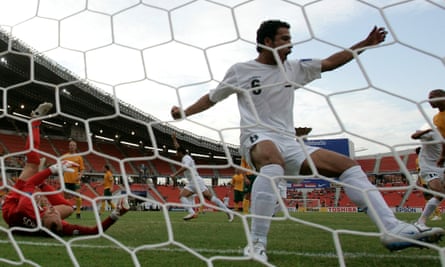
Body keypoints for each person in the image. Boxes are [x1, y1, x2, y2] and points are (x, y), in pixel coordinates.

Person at [171, 20, 444, 260]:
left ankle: (391, 229)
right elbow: (213, 97)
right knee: (272, 159)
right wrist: (184, 112)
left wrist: (365, 44)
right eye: (285, 39)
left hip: (289, 141)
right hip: (257, 137)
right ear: (267, 42)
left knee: (347, 166)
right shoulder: (241, 70)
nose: (291, 45)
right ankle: (256, 243)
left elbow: (329, 62)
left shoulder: (294, 68)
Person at [1, 102, 129, 236]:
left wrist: (52, 170)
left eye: (51, 212)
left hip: (13, 206)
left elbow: (29, 184)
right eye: (57, 214)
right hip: (30, 217)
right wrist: (116, 214)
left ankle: (35, 121)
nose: (53, 210)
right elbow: (94, 231)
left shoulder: (25, 207)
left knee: (33, 163)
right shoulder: (58, 227)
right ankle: (43, 184)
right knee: (68, 208)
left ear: (43, 220)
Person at [169, 133, 233, 222]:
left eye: (177, 152)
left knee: (209, 197)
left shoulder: (186, 159)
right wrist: (174, 139)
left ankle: (228, 212)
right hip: (193, 182)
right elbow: (178, 148)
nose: (176, 154)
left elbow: (185, 167)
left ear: (181, 153)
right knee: (183, 196)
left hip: (195, 181)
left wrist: (174, 174)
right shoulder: (185, 156)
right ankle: (192, 212)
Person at [414, 146, 442, 221]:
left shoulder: (419, 160)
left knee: (433, 197)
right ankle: (433, 214)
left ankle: (437, 214)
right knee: (428, 198)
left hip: (427, 180)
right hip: (426, 180)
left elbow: (420, 171)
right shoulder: (422, 159)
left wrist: (418, 181)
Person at [62, 140, 85, 219]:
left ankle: (78, 212)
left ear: (76, 147)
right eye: (70, 145)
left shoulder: (79, 157)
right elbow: (60, 167)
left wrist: (80, 176)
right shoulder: (64, 156)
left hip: (75, 180)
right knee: (66, 197)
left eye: (73, 145)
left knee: (77, 196)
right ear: (68, 146)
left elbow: (82, 169)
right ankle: (66, 212)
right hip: (66, 180)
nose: (71, 146)